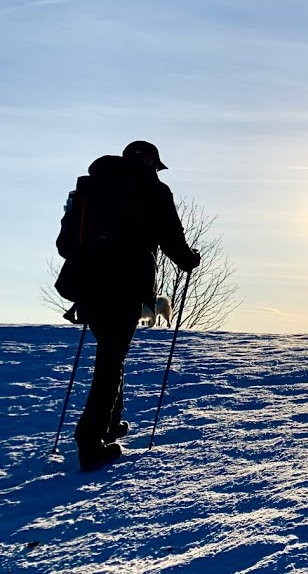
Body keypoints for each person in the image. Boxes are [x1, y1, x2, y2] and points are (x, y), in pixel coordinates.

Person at [58, 141, 200, 471]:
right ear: (150, 161)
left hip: (87, 284)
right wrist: (188, 259)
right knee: (110, 360)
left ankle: (109, 424)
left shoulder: (90, 187)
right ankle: (90, 442)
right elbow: (171, 237)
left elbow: (65, 243)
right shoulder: (153, 189)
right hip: (126, 285)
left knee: (111, 353)